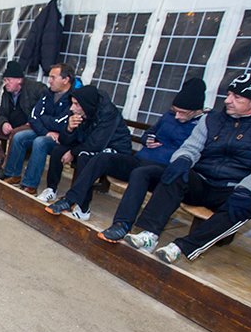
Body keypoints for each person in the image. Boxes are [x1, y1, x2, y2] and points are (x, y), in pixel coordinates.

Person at [121, 73, 251, 264]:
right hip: (201, 180)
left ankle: (183, 247)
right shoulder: (211, 119)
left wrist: (246, 189)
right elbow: (191, 147)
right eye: (229, 94)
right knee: (175, 173)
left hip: (232, 187)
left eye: (237, 97)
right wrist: (183, 159)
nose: (228, 100)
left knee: (247, 206)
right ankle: (149, 234)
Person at [57, 78, 205, 237]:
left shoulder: (202, 125)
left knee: (139, 173)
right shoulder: (168, 116)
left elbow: (194, 152)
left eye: (182, 113)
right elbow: (149, 132)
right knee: (101, 158)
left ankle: (122, 225)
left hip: (162, 169)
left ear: (196, 111)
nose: (177, 116)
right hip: (141, 159)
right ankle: (71, 199)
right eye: (175, 111)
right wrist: (148, 138)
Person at [35, 84, 133, 204]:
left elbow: (96, 144)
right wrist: (69, 129)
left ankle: (77, 201)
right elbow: (64, 141)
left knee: (84, 156)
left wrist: (72, 152)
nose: (72, 108)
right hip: (88, 143)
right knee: (58, 150)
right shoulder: (78, 111)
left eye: (76, 104)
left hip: (114, 148)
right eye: (72, 103)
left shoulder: (108, 113)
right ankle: (51, 189)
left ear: (87, 105)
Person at [0, 63, 75, 195]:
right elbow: (34, 117)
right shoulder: (48, 94)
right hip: (47, 132)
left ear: (65, 80)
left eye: (53, 77)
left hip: (62, 137)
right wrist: (46, 131)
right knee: (19, 137)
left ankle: (30, 184)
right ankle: (13, 174)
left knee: (40, 142)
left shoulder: (73, 98)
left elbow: (62, 123)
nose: (49, 81)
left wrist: (45, 121)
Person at [0, 60, 47, 173]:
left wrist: (33, 121)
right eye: (4, 80)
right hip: (13, 125)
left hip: (30, 125)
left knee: (16, 133)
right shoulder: (6, 92)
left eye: (8, 80)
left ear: (19, 80)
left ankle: (6, 167)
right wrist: (4, 123)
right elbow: (1, 113)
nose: (6, 83)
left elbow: (46, 107)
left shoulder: (36, 88)